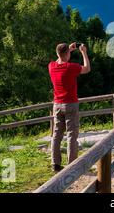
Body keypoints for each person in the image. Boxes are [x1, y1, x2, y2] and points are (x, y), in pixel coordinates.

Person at [48, 42, 91, 173]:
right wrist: (83, 52)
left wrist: (69, 50)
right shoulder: (71, 67)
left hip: (57, 105)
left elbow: (58, 59)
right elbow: (87, 68)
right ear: (66, 54)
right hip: (71, 104)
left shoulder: (51, 66)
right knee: (72, 135)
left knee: (56, 135)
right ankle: (72, 166)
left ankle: (55, 163)